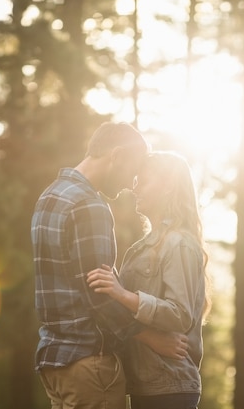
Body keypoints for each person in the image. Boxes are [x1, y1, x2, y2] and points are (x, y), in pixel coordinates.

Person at [31, 123, 189, 409]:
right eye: (133, 171)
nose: (131, 183)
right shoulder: (89, 206)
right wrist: (151, 338)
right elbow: (100, 294)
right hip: (90, 365)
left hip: (54, 364)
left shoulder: (50, 196)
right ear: (116, 156)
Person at [87, 151, 211, 409]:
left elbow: (179, 315)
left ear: (167, 187)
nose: (135, 188)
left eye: (143, 181)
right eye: (135, 181)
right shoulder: (141, 248)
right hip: (145, 384)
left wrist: (122, 295)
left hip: (170, 387)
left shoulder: (179, 244)